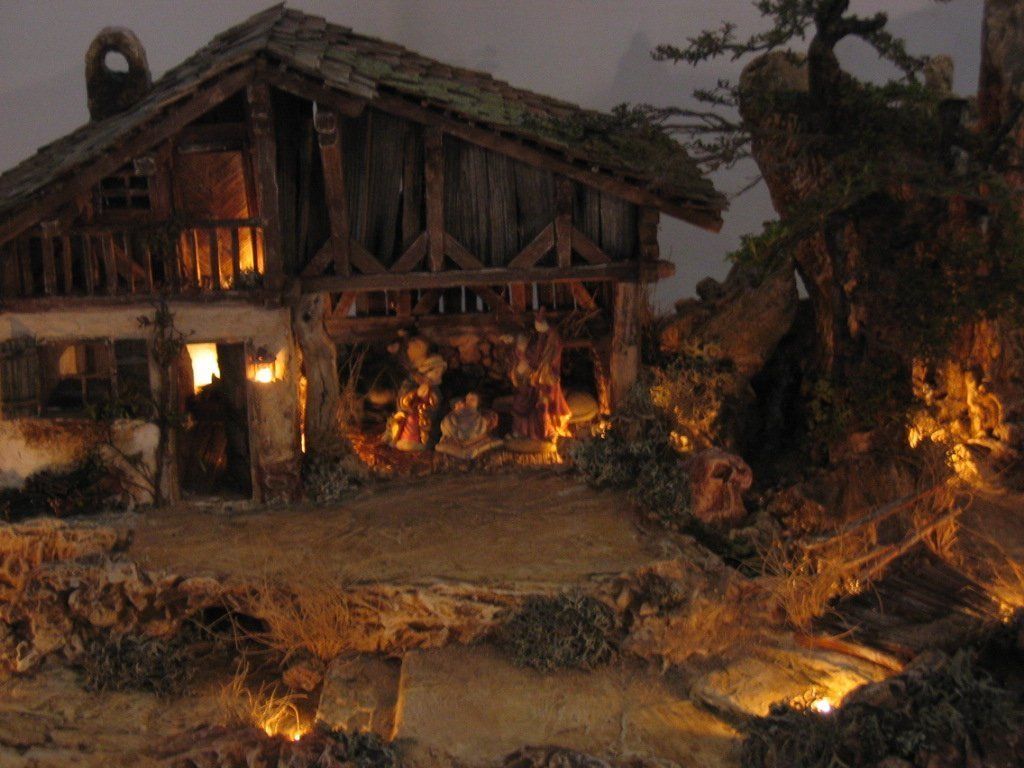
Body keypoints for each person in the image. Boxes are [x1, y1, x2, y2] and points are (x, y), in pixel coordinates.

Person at [508, 310, 572, 443]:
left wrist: (536, 376)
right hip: (530, 388)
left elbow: (550, 352)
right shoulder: (527, 353)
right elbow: (520, 374)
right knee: (523, 405)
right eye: (519, 350)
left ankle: (548, 432)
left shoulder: (547, 345)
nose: (520, 352)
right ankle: (524, 432)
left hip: (544, 385)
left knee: (543, 405)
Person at [436, 392, 502, 460]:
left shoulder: (480, 418)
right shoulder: (456, 414)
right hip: (457, 439)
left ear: (478, 403)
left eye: (472, 399)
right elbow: (447, 425)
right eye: (467, 399)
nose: (468, 402)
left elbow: (476, 431)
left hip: (469, 441)